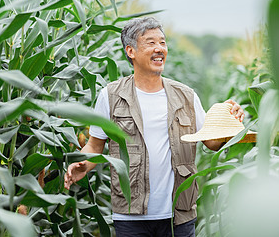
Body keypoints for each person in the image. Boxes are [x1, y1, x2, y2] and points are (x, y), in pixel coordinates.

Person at [64, 17, 244, 237]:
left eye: (162, 43)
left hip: (178, 214)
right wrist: (82, 165)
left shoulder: (186, 96)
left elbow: (211, 142)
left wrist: (228, 122)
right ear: (131, 51)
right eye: (151, 43)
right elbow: (94, 146)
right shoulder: (110, 96)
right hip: (130, 215)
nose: (159, 49)